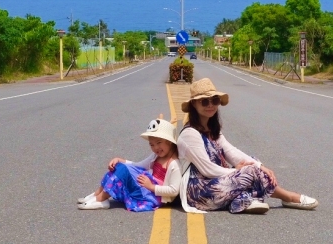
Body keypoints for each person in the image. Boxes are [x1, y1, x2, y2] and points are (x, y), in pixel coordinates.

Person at [177, 77, 318, 214]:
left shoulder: (211, 129)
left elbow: (231, 152)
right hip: (200, 193)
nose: (210, 105)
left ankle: (242, 201)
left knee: (252, 162)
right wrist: (239, 171)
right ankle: (288, 197)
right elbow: (208, 170)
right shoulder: (190, 134)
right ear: (194, 104)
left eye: (214, 100)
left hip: (217, 184)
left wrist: (260, 166)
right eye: (204, 101)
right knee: (249, 171)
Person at [78, 117, 182, 211]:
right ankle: (97, 194)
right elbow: (138, 165)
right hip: (146, 188)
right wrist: (120, 160)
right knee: (118, 166)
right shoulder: (156, 156)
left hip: (153, 196)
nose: (156, 148)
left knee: (123, 171)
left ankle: (101, 199)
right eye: (152, 145)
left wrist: (151, 186)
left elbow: (174, 190)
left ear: (169, 141)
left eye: (159, 143)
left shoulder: (174, 164)